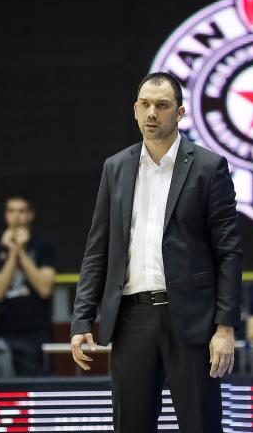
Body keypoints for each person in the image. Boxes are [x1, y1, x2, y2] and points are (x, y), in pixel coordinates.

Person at [70, 72, 242, 433]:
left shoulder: (209, 167)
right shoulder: (115, 167)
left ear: (179, 113)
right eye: (145, 105)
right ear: (134, 109)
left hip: (192, 319)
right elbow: (97, 249)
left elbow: (228, 252)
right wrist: (82, 320)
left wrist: (225, 327)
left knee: (201, 425)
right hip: (132, 317)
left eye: (162, 105)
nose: (152, 113)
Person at [0, 194, 56, 376]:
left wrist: (21, 252)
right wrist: (11, 254)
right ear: (6, 215)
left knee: (38, 385)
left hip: (37, 330)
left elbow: (45, 289)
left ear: (30, 215)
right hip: (4, 329)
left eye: (22, 211)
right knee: (5, 385)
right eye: (12, 211)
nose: (16, 216)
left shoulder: (43, 247)